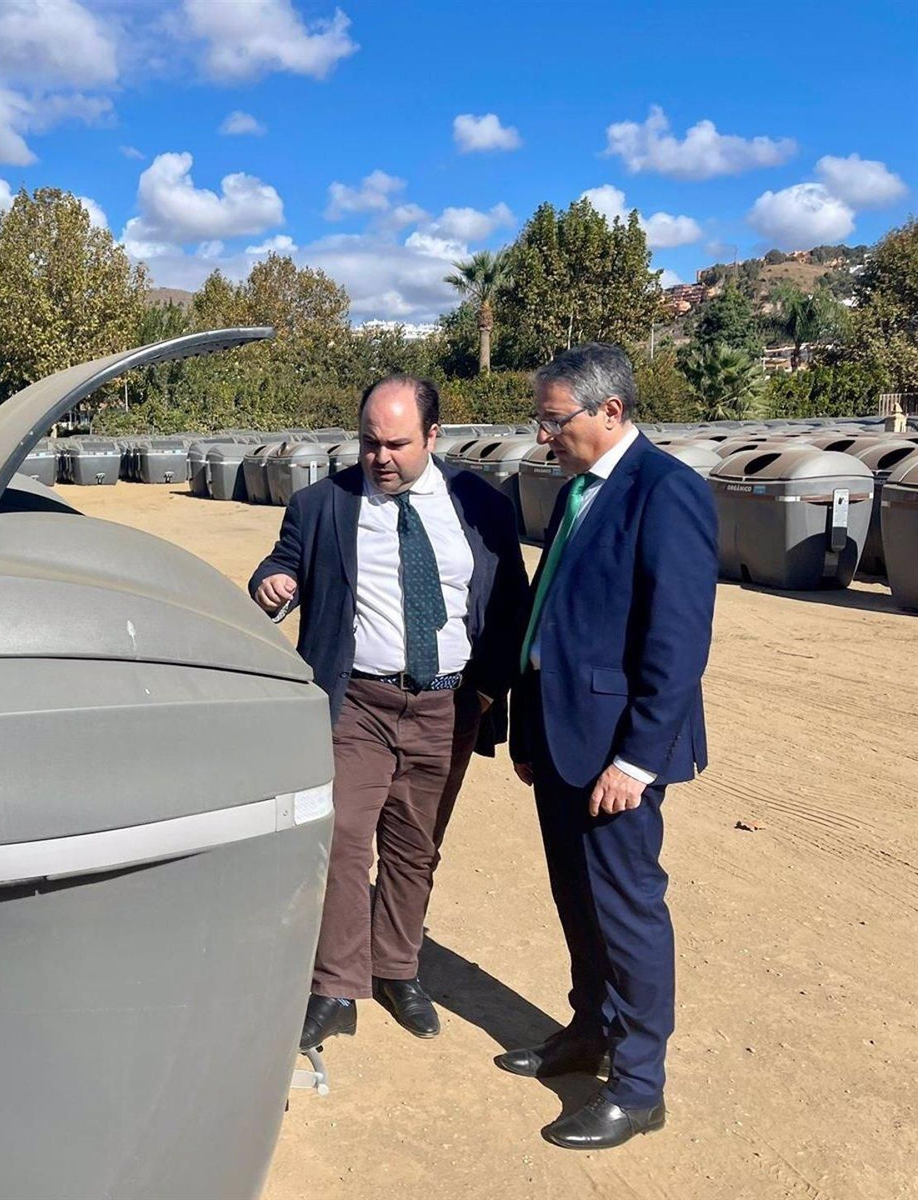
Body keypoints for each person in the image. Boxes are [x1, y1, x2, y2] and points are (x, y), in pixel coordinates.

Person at [249, 376, 528, 1050]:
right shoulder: (323, 504)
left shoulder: (482, 506)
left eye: (397, 444)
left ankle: (398, 969)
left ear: (432, 437)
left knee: (415, 848)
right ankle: (337, 984)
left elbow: (511, 602)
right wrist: (272, 581)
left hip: (447, 704)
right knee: (343, 842)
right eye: (369, 442)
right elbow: (284, 563)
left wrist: (486, 692)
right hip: (358, 704)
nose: (380, 457)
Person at [501, 343, 718, 1150]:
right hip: (558, 740)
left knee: (626, 912)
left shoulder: (668, 493)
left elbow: (677, 642)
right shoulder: (576, 494)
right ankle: (588, 1030)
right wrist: (528, 732)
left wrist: (636, 760)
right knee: (576, 899)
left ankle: (639, 1085)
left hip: (615, 754)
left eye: (554, 420)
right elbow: (549, 616)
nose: (543, 435)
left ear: (611, 411)